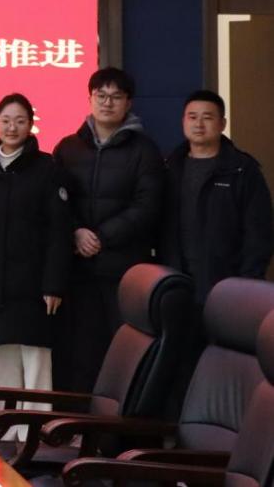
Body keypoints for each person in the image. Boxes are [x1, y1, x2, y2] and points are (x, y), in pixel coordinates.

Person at [52, 67, 164, 392]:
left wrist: (102, 237)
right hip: (78, 271)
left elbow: (148, 205)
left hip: (124, 270)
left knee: (124, 352)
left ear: (128, 103)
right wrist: (76, 231)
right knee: (80, 352)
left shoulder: (144, 150)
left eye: (116, 97)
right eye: (101, 96)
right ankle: (80, 419)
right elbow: (55, 202)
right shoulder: (68, 148)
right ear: (90, 99)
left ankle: (121, 421)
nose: (107, 103)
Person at [0, 94, 72, 441]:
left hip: (34, 284)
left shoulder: (47, 168)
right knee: (3, 361)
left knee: (35, 361)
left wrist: (54, 284)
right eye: (5, 120)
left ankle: (37, 433)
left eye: (20, 121)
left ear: (30, 125)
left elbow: (59, 231)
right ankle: (9, 428)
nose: (12, 127)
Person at [161, 89, 273, 305]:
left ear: (222, 124)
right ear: (183, 122)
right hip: (176, 282)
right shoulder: (169, 167)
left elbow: (259, 233)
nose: (199, 124)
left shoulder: (242, 169)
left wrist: (248, 282)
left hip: (227, 284)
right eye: (192, 117)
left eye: (207, 117)